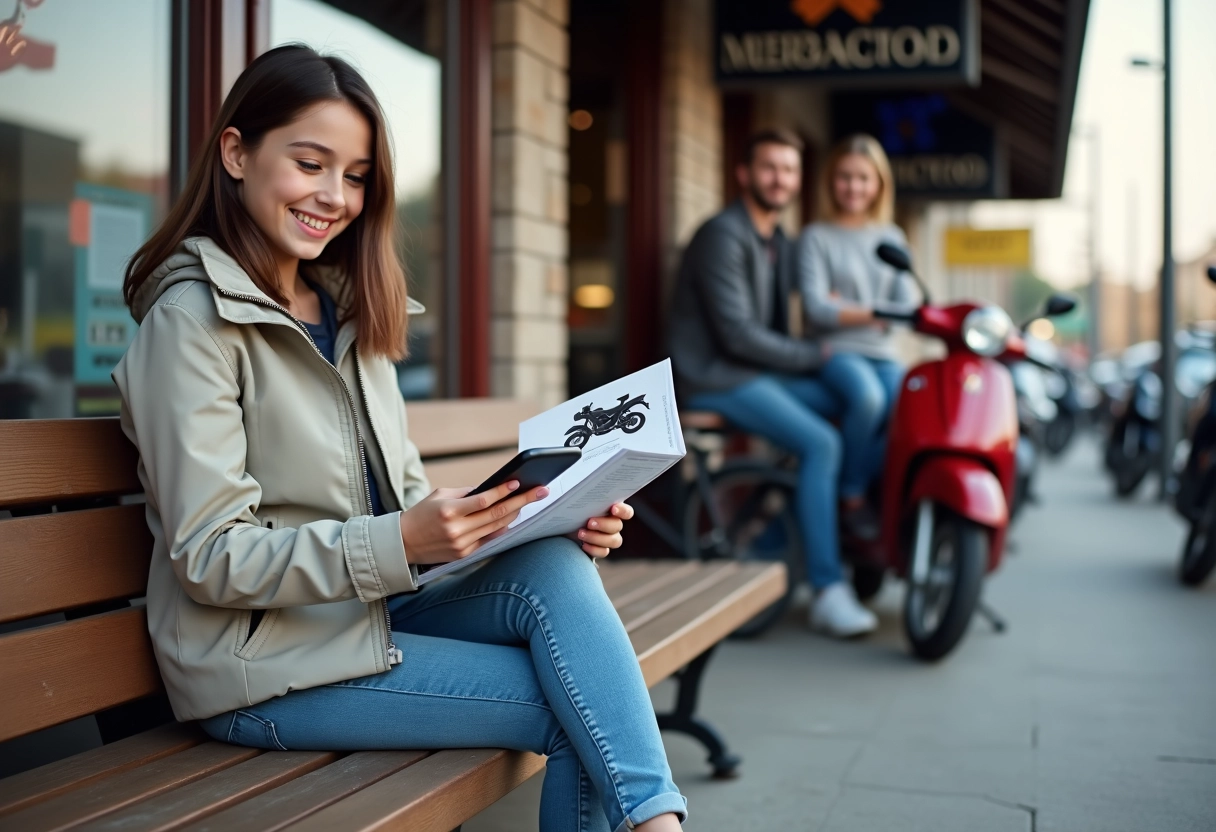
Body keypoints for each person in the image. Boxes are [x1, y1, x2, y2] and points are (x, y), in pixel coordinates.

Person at [112, 45, 685, 832]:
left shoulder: (348, 310)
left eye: (354, 176)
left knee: (554, 564)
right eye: (309, 164)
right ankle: (661, 823)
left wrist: (540, 515)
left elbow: (403, 499)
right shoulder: (192, 325)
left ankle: (658, 822)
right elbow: (211, 556)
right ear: (237, 153)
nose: (332, 196)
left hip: (369, 617)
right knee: (575, 707)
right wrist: (400, 538)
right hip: (266, 668)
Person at [668, 129, 877, 638]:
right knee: (821, 442)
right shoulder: (723, 234)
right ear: (744, 174)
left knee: (848, 401)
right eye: (769, 167)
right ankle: (828, 587)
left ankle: (793, 532)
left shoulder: (778, 241)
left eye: (789, 169)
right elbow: (738, 335)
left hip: (757, 374)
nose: (780, 179)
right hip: (714, 377)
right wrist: (818, 353)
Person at [797, 135, 920, 533]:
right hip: (835, 351)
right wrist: (875, 312)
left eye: (863, 178)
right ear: (832, 181)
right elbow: (816, 309)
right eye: (845, 177)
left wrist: (846, 307)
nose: (854, 187)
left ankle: (870, 486)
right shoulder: (816, 236)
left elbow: (909, 307)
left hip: (884, 354)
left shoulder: (892, 238)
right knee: (867, 399)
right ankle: (850, 492)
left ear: (879, 184)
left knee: (915, 406)